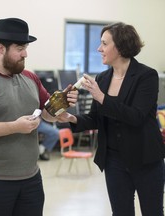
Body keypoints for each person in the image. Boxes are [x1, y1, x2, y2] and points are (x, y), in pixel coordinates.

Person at [0, 17, 78, 216]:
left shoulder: (30, 78)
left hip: (30, 178)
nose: (25, 53)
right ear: (0, 49)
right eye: (20, 48)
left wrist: (61, 106)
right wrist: (14, 126)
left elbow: (46, 112)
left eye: (26, 47)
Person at [67, 22, 165, 216]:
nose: (99, 48)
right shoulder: (102, 79)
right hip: (114, 161)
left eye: (104, 43)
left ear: (120, 47)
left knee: (152, 212)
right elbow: (95, 119)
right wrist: (69, 117)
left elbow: (136, 116)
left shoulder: (146, 76)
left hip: (146, 159)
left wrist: (101, 97)